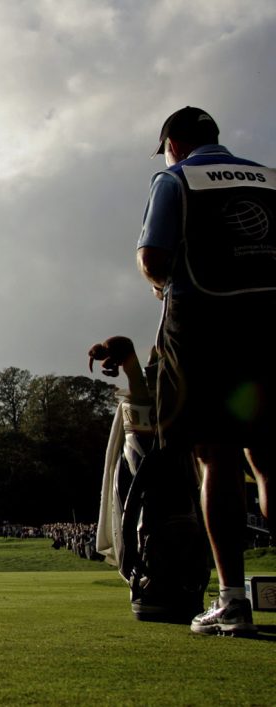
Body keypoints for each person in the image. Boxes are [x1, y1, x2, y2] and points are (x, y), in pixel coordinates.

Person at [137, 106, 275, 636]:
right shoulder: (270, 178)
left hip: (206, 330)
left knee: (215, 456)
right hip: (271, 330)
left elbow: (155, 258)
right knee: (268, 459)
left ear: (172, 142)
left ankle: (233, 600)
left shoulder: (175, 178)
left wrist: (158, 284)